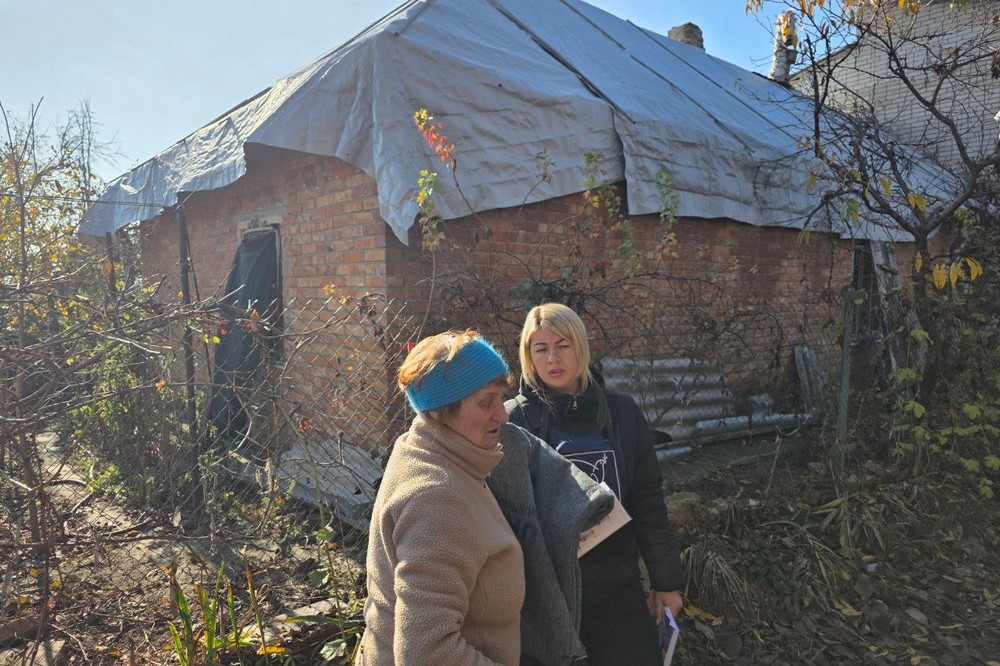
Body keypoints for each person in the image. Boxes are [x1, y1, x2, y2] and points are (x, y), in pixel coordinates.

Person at [506, 303, 684, 666]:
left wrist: (666, 581)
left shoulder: (622, 412)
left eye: (563, 345)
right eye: (541, 349)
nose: (553, 358)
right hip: (545, 596)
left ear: (581, 347)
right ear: (528, 355)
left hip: (617, 587)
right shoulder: (513, 420)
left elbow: (647, 499)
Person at [359, 330, 525, 666]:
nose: (502, 414)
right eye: (485, 402)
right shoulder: (438, 497)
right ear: (440, 411)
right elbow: (427, 653)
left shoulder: (423, 448)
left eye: (501, 397)